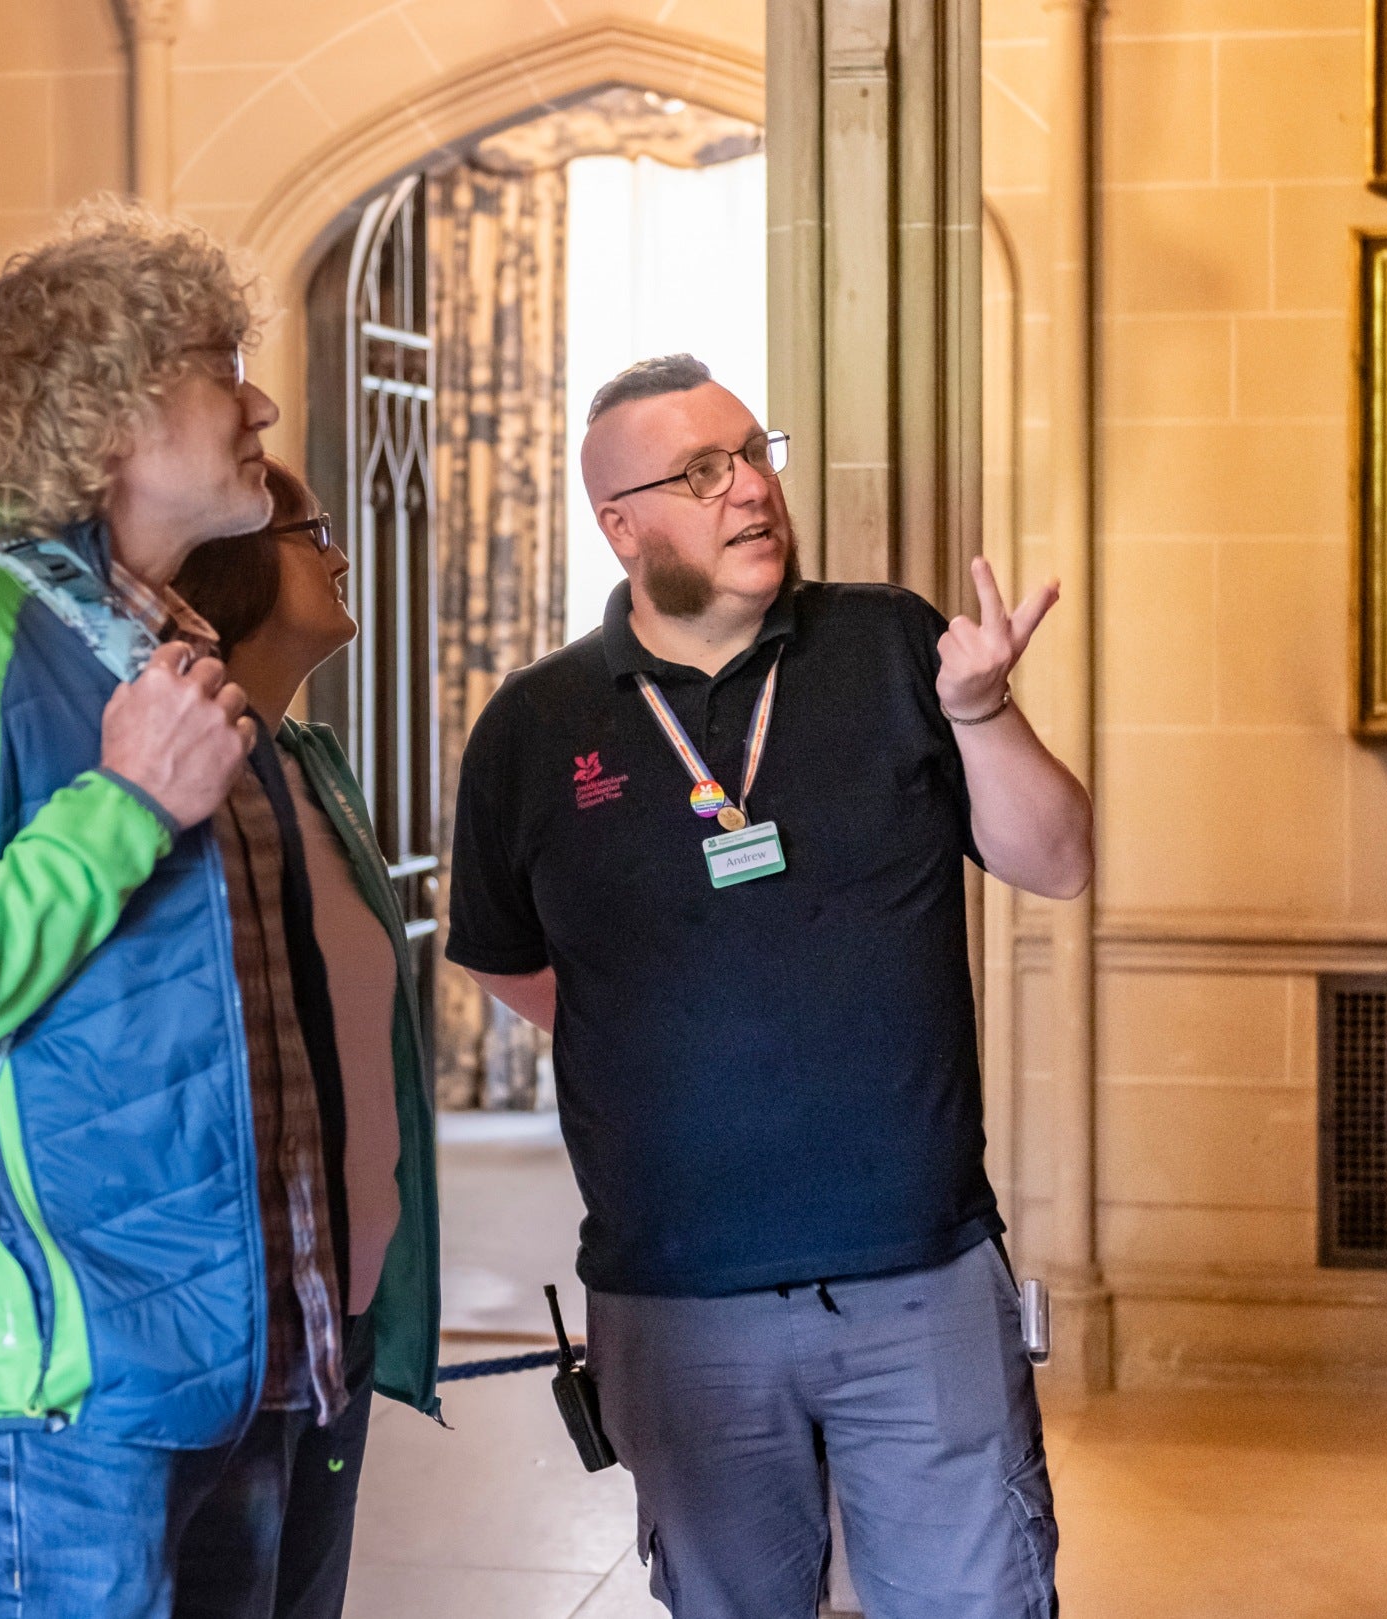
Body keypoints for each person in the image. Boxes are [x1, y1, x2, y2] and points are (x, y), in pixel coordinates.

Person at [0, 203, 434, 1619]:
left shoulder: (152, 636)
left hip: (242, 1364)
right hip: (47, 1396)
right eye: (219, 364)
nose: (259, 400)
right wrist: (119, 813)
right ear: (103, 409)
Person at [444, 354, 1094, 1619]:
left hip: (920, 1272)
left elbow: (1058, 859)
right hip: (678, 1298)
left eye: (752, 452)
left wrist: (984, 706)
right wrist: (651, 1039)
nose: (749, 487)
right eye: (702, 471)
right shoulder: (534, 725)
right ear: (620, 524)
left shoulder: (894, 644)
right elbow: (499, 950)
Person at [160, 458, 445, 1618]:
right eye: (310, 528)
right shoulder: (177, 785)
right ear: (232, 562)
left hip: (344, 1305)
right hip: (227, 1320)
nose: (337, 550)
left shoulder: (317, 772)